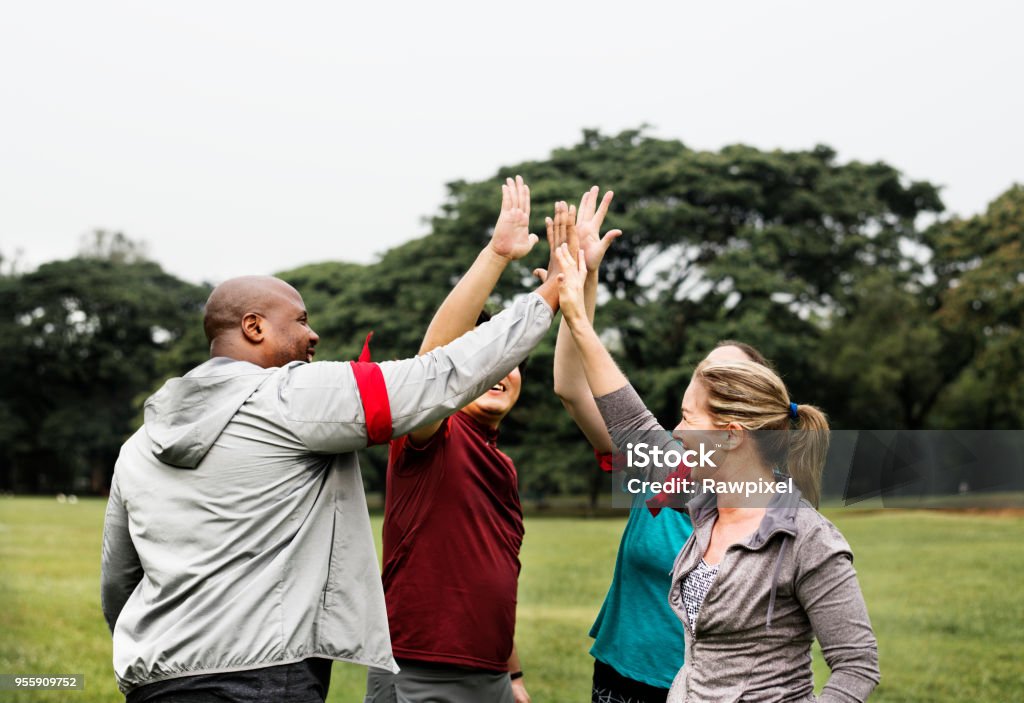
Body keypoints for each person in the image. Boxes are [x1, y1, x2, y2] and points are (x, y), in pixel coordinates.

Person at [100, 176, 567, 702]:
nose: (313, 335)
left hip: (158, 680)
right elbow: (437, 375)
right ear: (254, 328)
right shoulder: (292, 396)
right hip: (263, 676)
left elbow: (119, 581)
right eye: (300, 321)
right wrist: (550, 293)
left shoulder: (138, 445)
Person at [553, 241, 880, 702]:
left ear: (729, 434)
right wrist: (578, 311)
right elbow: (629, 419)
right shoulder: (704, 503)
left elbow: (856, 665)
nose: (674, 430)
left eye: (688, 418)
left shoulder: (808, 540)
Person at [364, 179, 566, 703]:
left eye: (510, 361)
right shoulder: (431, 433)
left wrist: (512, 674)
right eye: (484, 361)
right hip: (422, 670)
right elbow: (432, 364)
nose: (501, 372)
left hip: (490, 674)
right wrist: (498, 255)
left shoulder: (501, 460)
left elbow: (490, 577)